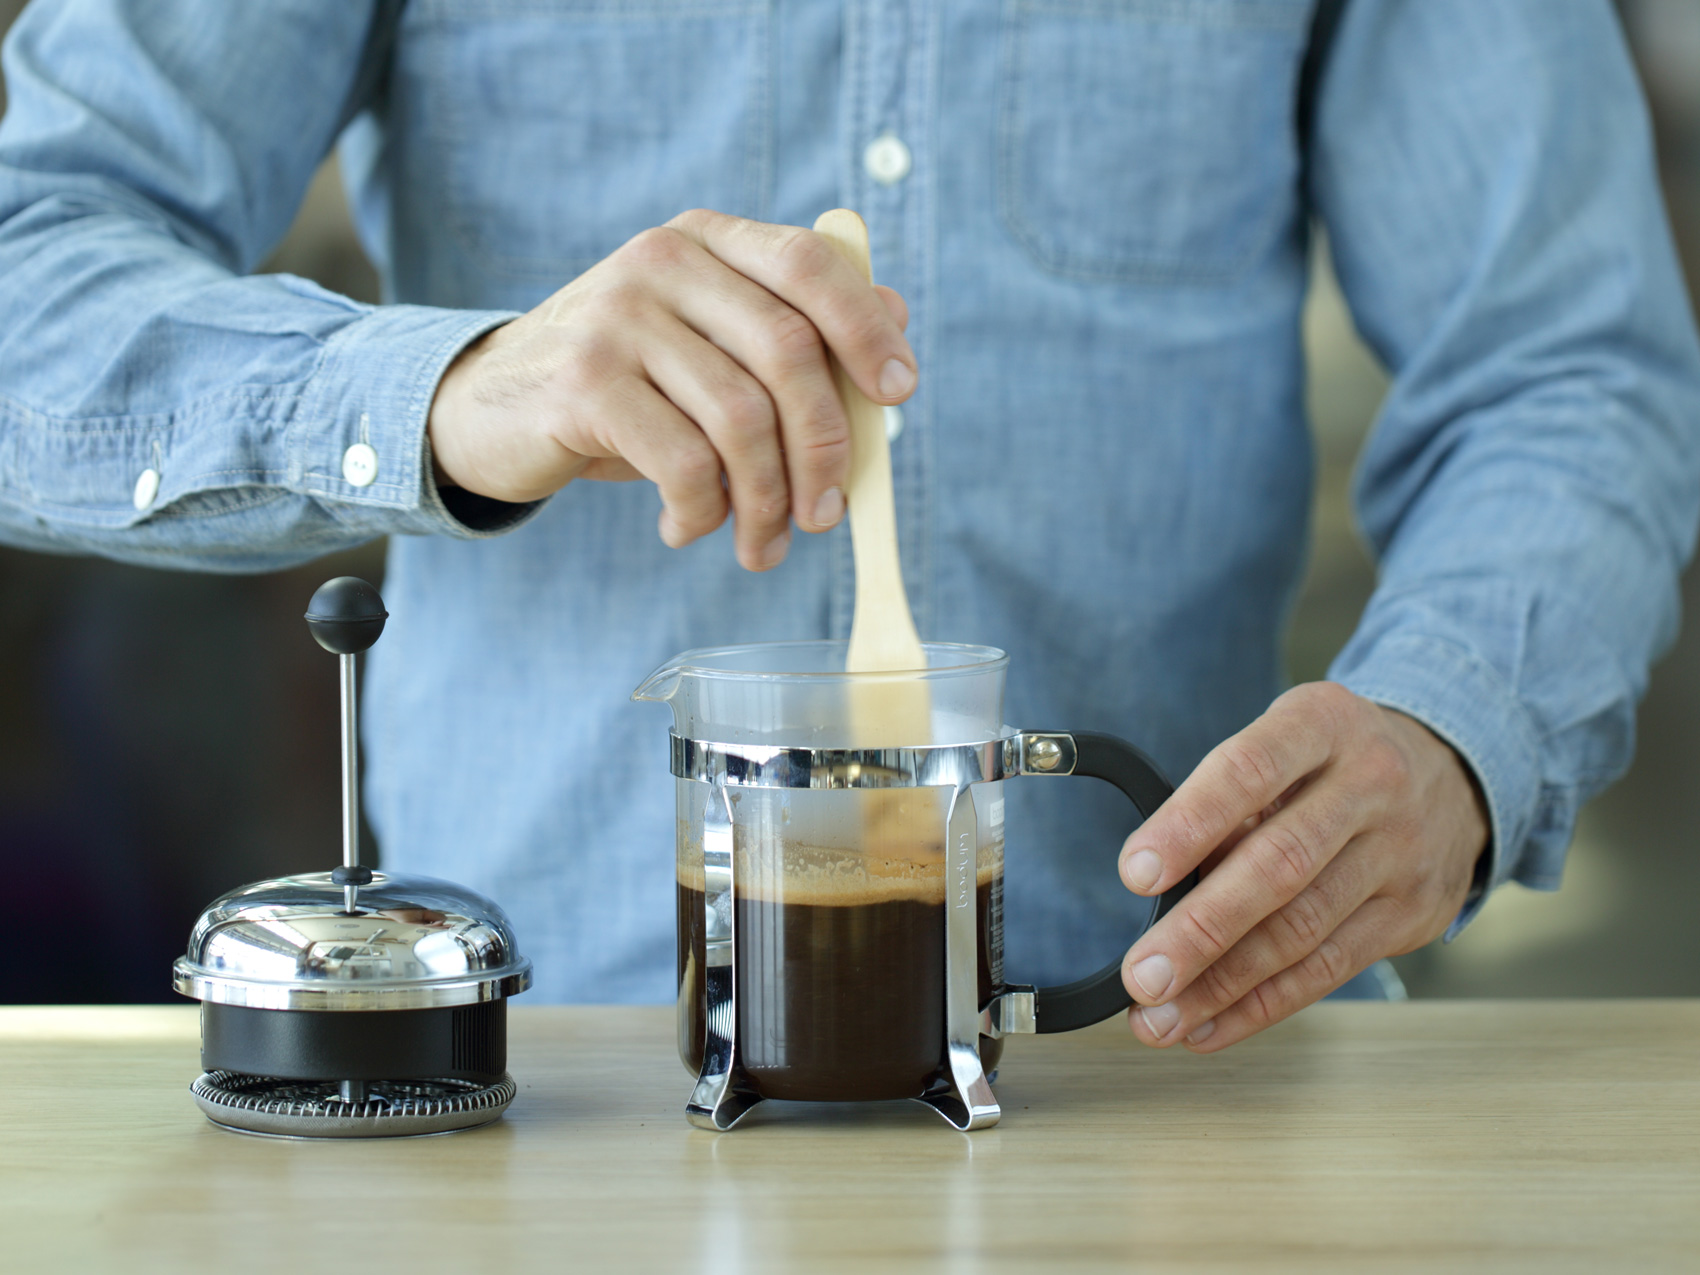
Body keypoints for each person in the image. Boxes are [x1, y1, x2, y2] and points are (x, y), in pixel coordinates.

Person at [1, 0, 1696, 1055]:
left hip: (1171, 1076)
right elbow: (28, 287)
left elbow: (1569, 366)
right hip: (549, 1093)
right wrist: (458, 390)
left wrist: (1458, 731)